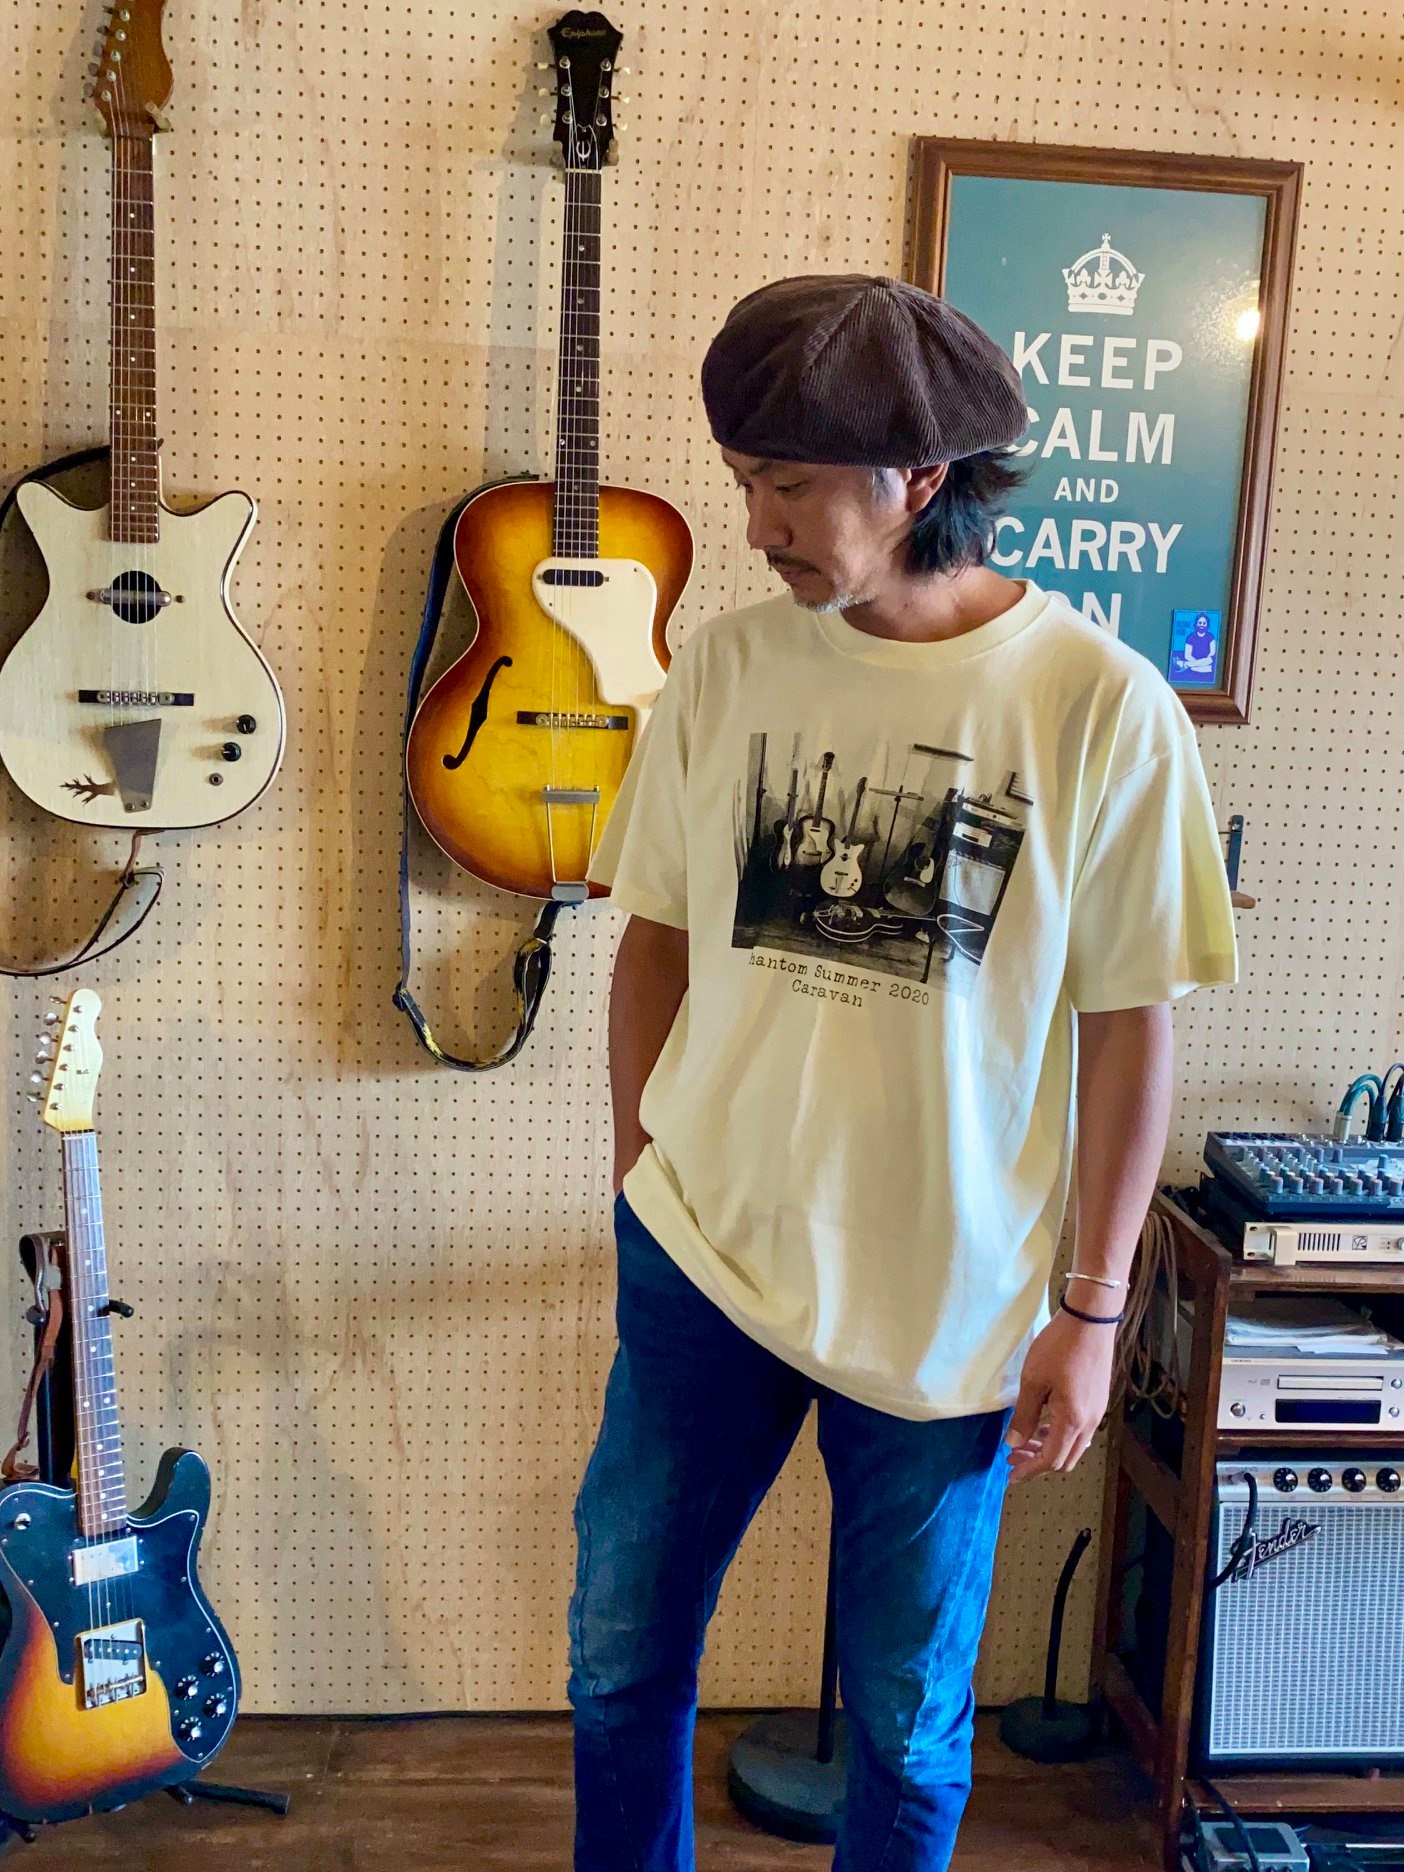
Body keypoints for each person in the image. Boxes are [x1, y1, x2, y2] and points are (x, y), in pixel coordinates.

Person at [568, 274, 1237, 1872]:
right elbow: (652, 941)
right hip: (704, 1259)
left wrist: (1092, 1314)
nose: (757, 528)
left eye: (791, 487)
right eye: (745, 482)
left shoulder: (1099, 707)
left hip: (952, 1302)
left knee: (909, 1721)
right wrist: (638, 1178)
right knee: (620, 1661)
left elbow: (1131, 1029)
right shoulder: (726, 669)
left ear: (922, 479)